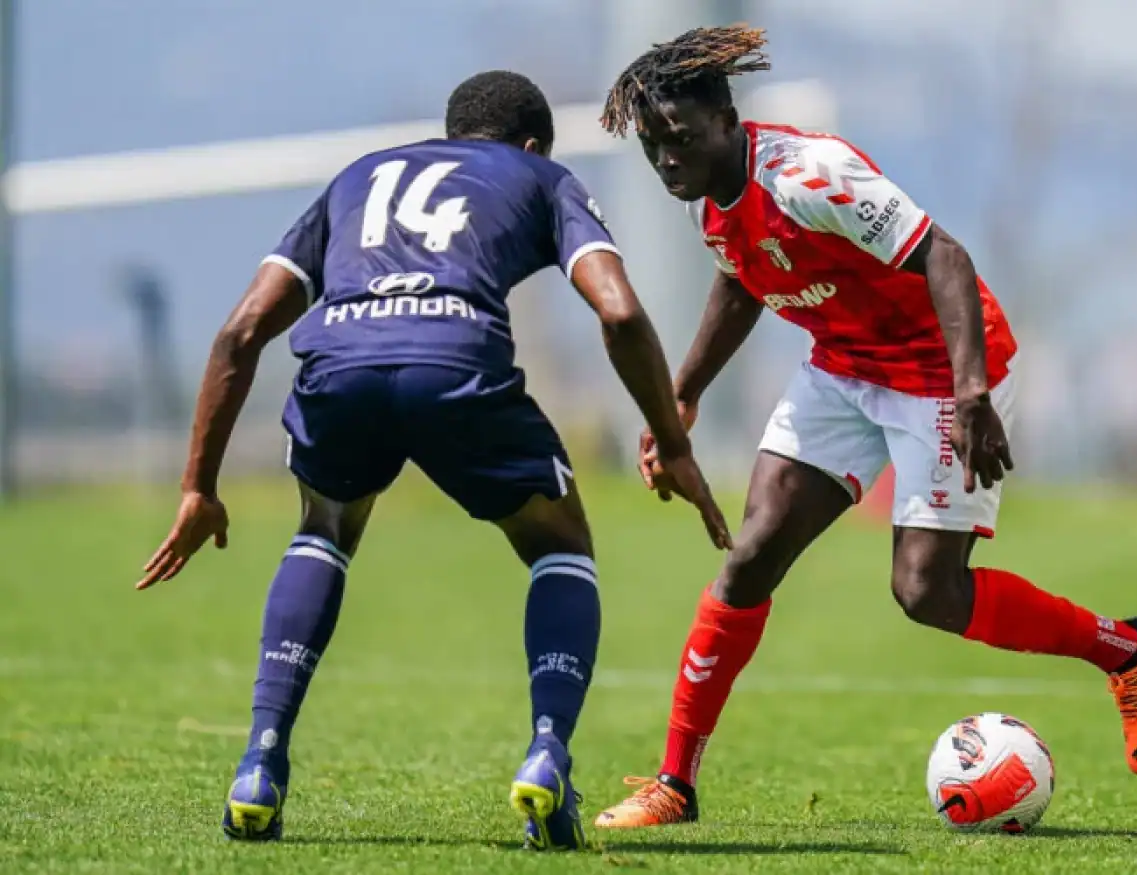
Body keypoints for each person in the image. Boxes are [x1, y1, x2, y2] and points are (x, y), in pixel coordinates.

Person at [591, 26, 1137, 829]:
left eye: (682, 140)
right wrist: (684, 395)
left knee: (926, 591)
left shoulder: (809, 175)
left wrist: (971, 392)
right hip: (842, 367)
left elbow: (946, 256)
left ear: (728, 122)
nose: (667, 160)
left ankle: (1132, 649)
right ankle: (675, 784)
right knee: (751, 554)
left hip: (943, 373)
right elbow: (743, 278)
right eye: (654, 146)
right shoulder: (708, 194)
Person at [135, 70, 731, 850]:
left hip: (339, 364)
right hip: (456, 363)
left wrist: (198, 486)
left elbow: (241, 331)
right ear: (528, 144)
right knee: (560, 543)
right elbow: (617, 311)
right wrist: (674, 441)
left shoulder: (355, 179)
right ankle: (548, 754)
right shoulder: (543, 175)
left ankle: (259, 762)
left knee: (324, 525)